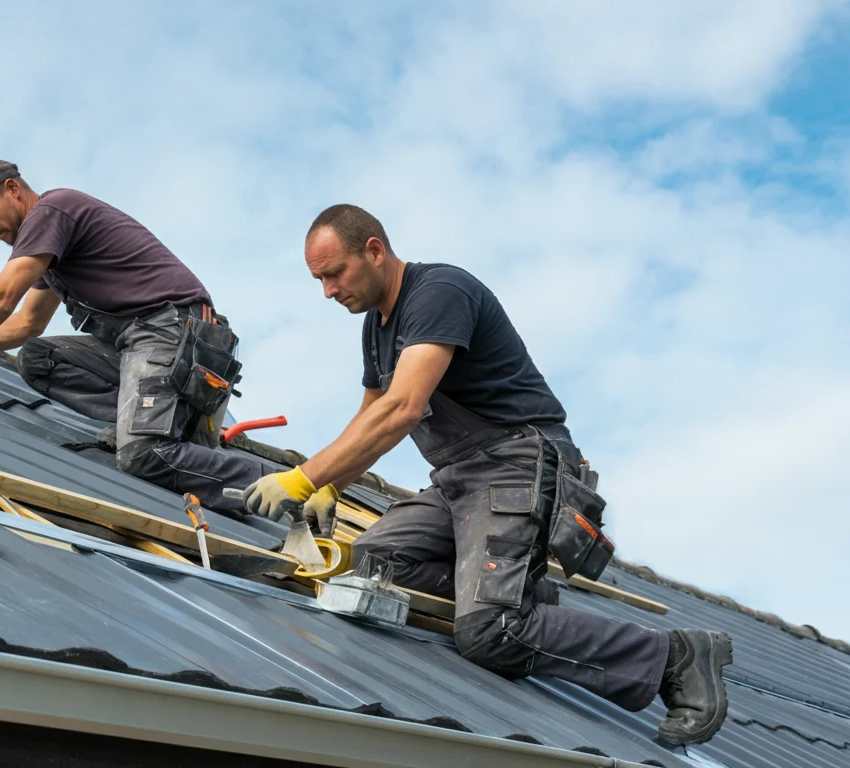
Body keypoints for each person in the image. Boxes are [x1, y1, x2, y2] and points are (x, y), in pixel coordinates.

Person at [243, 204, 732, 746]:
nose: (328, 292)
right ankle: (513, 588)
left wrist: (304, 478)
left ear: (374, 251)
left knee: (490, 632)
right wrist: (333, 483)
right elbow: (371, 414)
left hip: (516, 465)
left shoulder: (439, 293)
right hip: (458, 479)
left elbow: (403, 407)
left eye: (335, 274)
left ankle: (673, 655)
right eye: (319, 280)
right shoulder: (375, 330)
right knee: (367, 568)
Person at [0, 159, 266, 513]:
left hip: (177, 335)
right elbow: (26, 325)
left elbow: (1, 299)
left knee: (142, 455)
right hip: (149, 342)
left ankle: (274, 484)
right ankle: (148, 418)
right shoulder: (52, 250)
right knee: (37, 358)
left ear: (12, 189)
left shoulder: (52, 211)